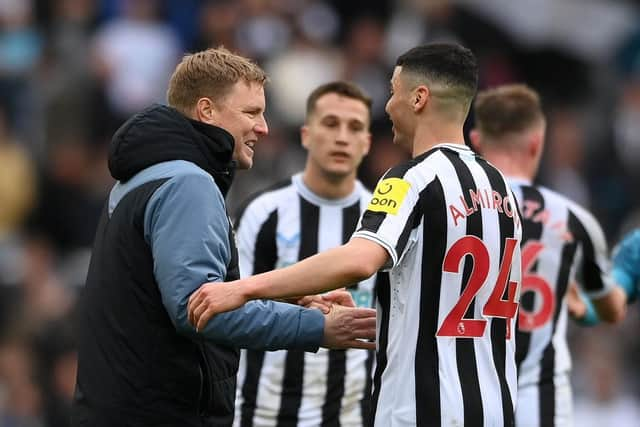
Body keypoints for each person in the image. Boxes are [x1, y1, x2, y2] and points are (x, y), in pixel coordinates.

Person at [189, 43, 523, 426]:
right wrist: (385, 314)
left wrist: (241, 289)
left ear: (419, 98)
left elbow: (359, 259)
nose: (388, 106)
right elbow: (462, 305)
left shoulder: (411, 178)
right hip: (494, 407)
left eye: (394, 92)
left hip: (420, 408)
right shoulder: (501, 190)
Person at [70, 47, 376, 427]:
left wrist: (294, 301)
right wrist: (318, 327)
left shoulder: (143, 176)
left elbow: (190, 291)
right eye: (250, 113)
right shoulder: (188, 184)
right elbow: (198, 309)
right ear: (207, 111)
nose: (263, 127)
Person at [468, 83, 628, 427]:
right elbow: (608, 309)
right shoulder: (574, 218)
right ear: (537, 143)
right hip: (537, 400)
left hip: (461, 396)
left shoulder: (450, 208)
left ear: (477, 142)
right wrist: (626, 273)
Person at [234, 81, 384, 426]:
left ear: (367, 143)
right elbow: (233, 305)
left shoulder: (387, 219)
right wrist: (295, 303)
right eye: (331, 124)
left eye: (355, 127)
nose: (342, 137)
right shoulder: (263, 212)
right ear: (306, 135)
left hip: (354, 416)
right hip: (265, 413)